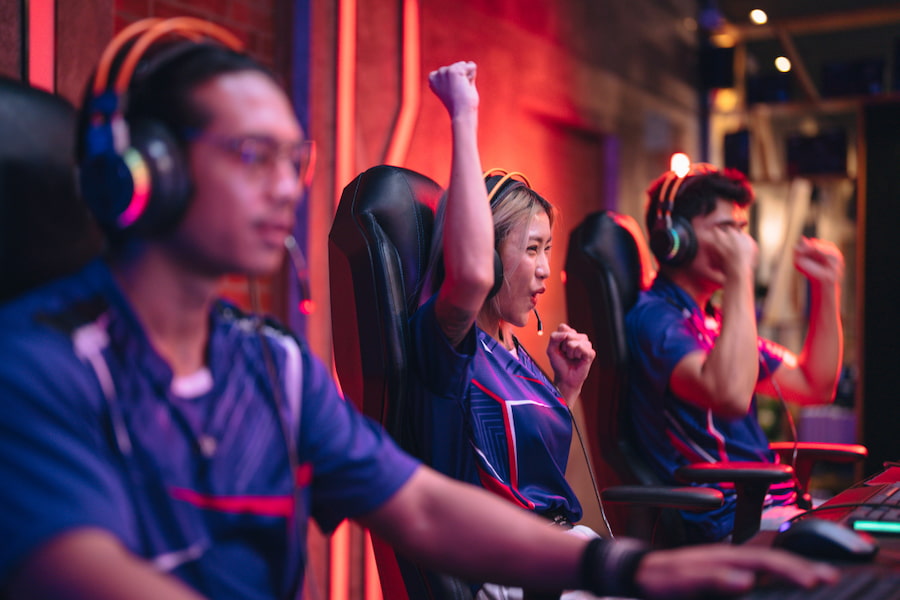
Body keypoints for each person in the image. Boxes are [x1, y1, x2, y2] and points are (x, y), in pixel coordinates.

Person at [0, 18, 839, 600]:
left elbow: (420, 504)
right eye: (254, 155)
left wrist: (626, 570)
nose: (287, 187)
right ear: (146, 172)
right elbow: (73, 567)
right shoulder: (40, 364)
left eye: (296, 159)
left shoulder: (272, 367)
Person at [409, 61, 598, 600]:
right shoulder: (452, 343)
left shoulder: (514, 353)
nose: (545, 270)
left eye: (548, 250)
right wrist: (462, 113)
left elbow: (530, 473)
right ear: (489, 252)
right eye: (532, 249)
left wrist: (564, 391)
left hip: (551, 552)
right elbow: (469, 277)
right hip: (506, 568)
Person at [625, 163, 845, 543]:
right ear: (675, 237)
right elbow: (728, 395)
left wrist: (826, 288)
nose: (743, 243)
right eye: (726, 229)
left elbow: (815, 385)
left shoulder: (715, 323)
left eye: (742, 229)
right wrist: (740, 274)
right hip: (727, 520)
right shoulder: (655, 318)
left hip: (772, 508)